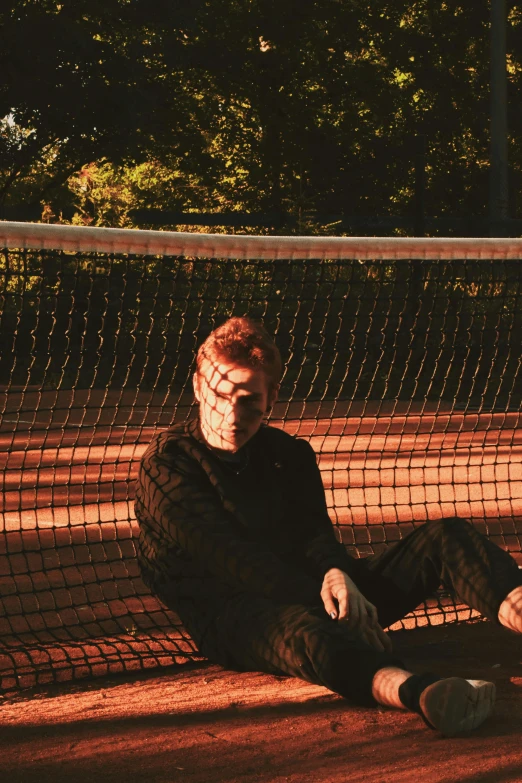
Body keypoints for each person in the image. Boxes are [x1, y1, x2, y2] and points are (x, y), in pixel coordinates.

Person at [135, 316, 522, 736]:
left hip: (318, 593)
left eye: (248, 399)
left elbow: (315, 535)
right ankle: (424, 695)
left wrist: (337, 574)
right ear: (197, 387)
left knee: (447, 537)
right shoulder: (166, 465)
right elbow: (233, 561)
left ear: (271, 398)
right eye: (220, 395)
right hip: (236, 617)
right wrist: (331, 605)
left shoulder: (290, 455)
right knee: (310, 633)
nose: (231, 414)